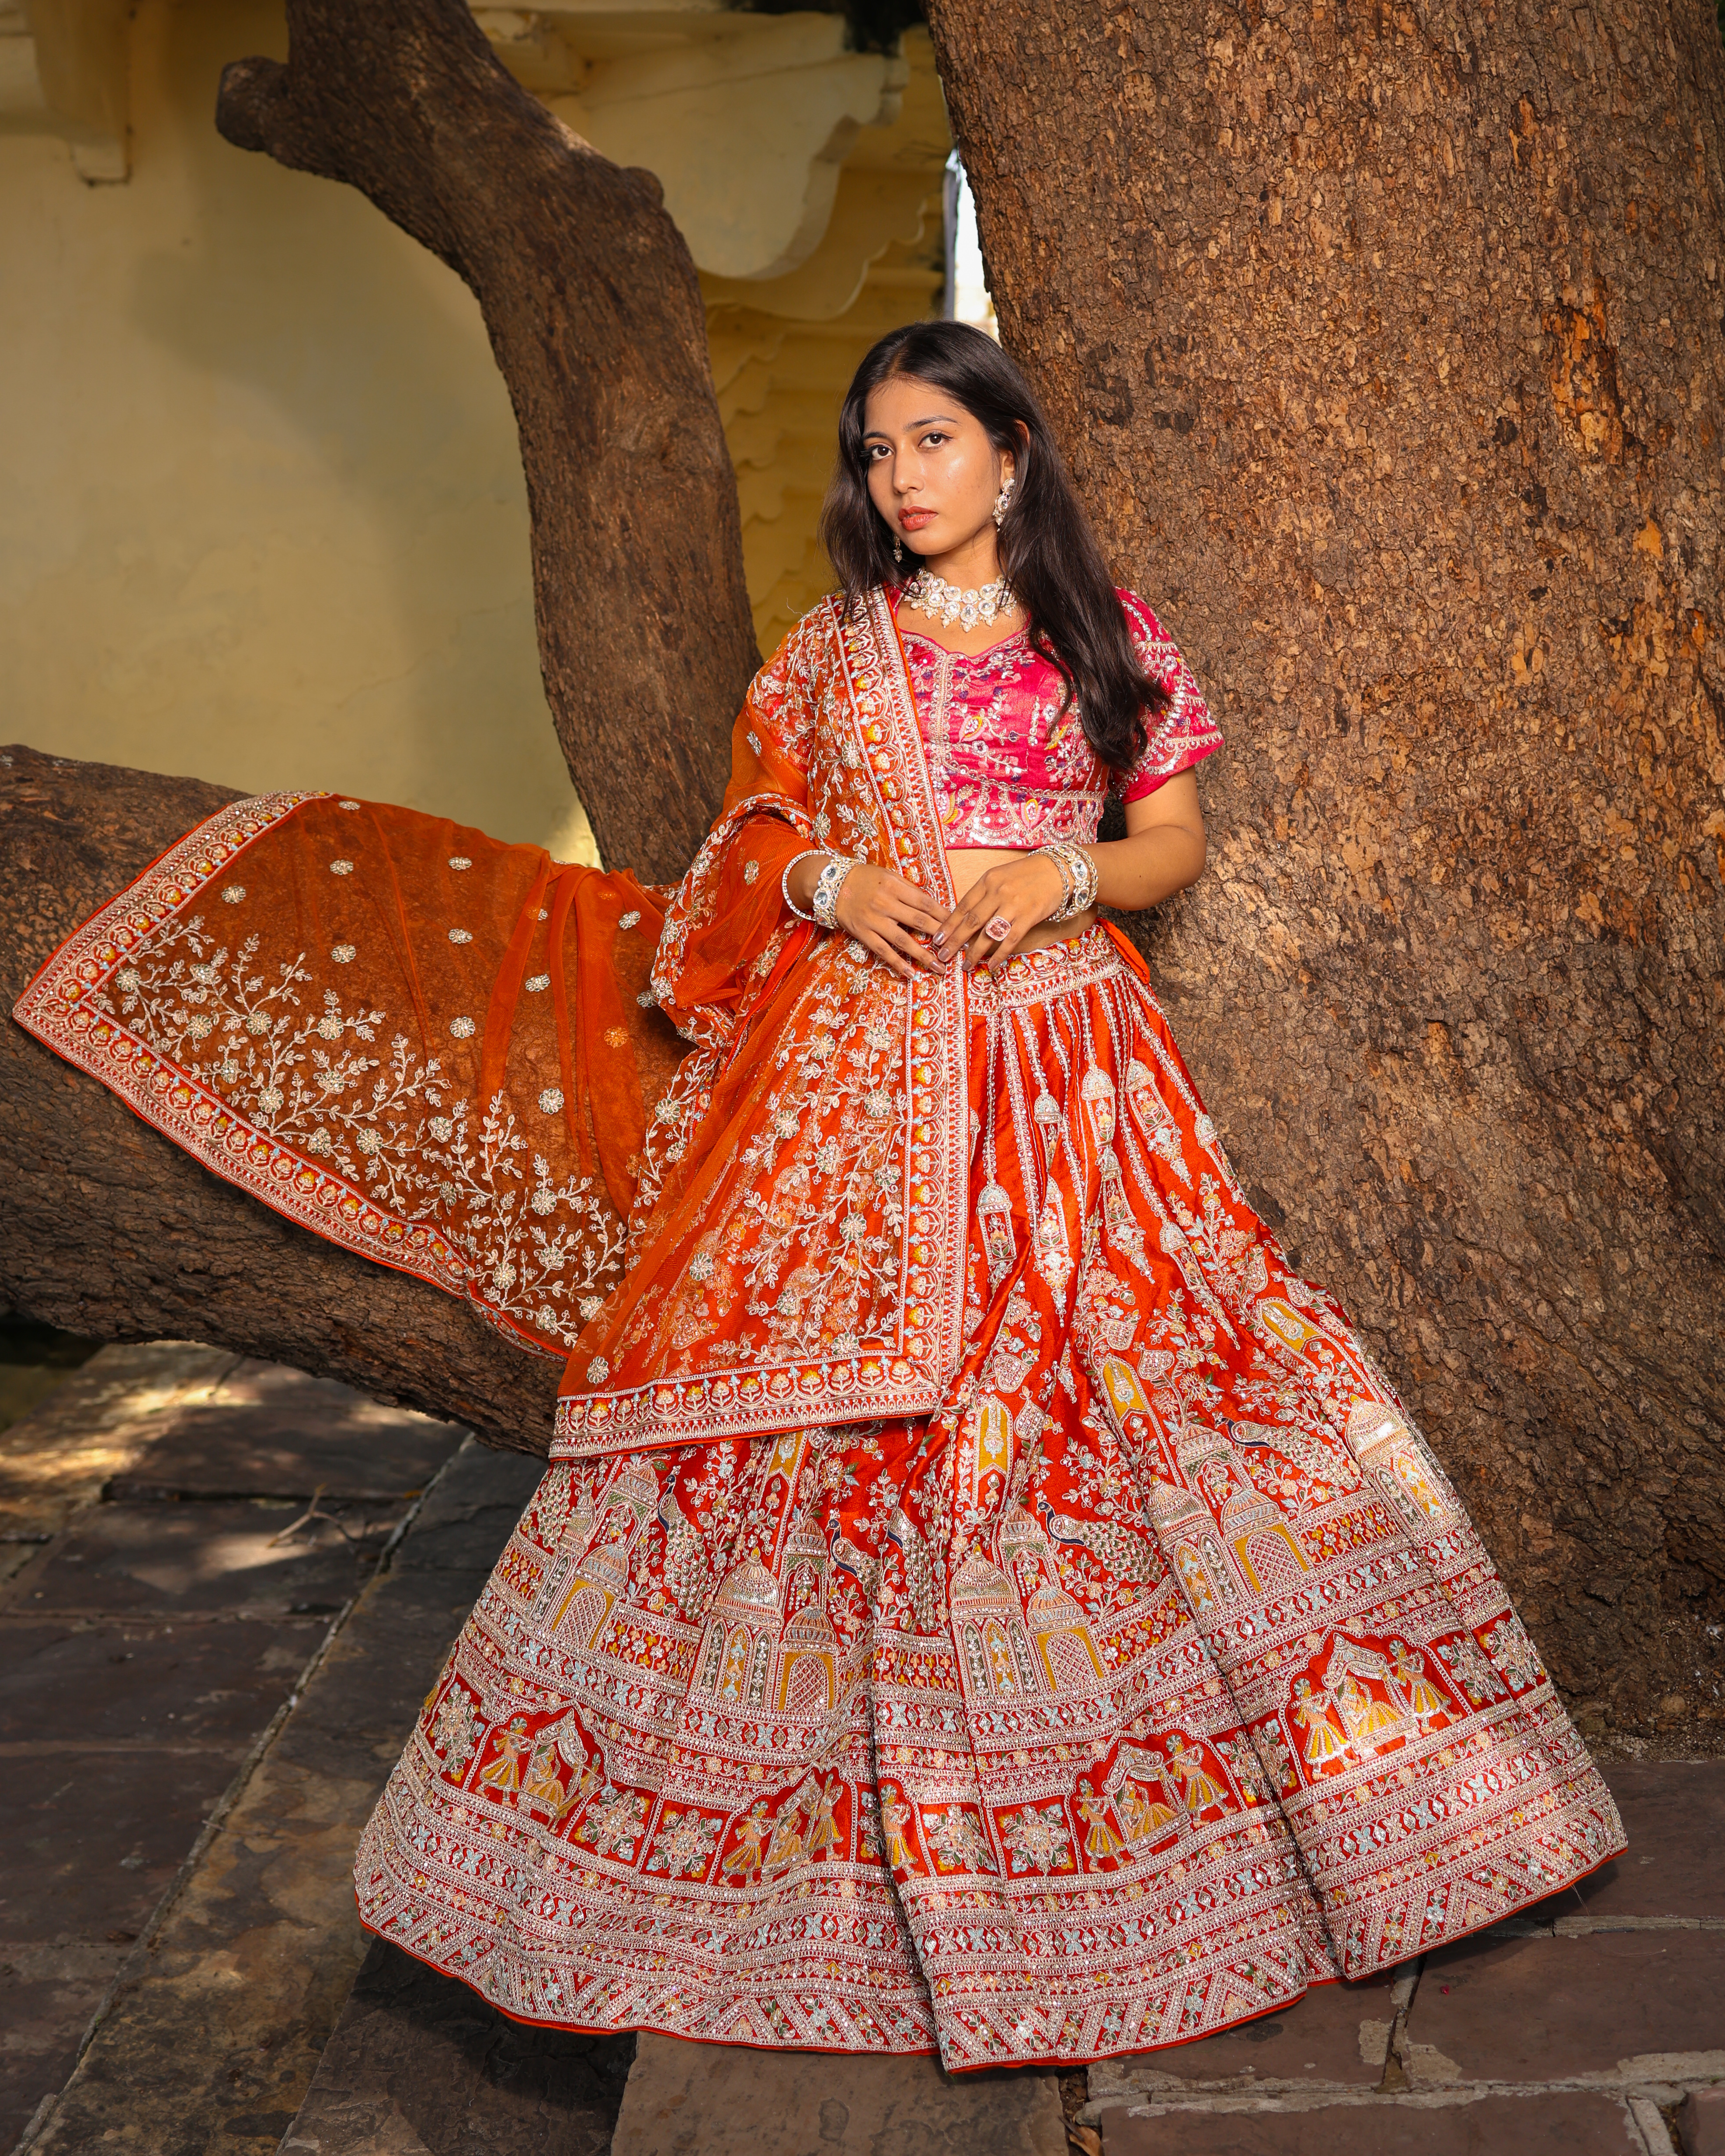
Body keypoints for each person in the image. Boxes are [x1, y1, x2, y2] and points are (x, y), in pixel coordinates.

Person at [14, 322, 1623, 2073]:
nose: (901, 477)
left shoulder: (1105, 632)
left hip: (1068, 1066)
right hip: (851, 1075)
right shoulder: (829, 653)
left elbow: (1173, 841)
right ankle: (773, 1847)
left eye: (933, 440)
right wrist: (837, 884)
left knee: (1144, 1380)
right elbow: (749, 843)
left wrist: (1064, 873)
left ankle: (1296, 1814)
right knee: (808, 1427)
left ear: (1011, 452)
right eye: (877, 450)